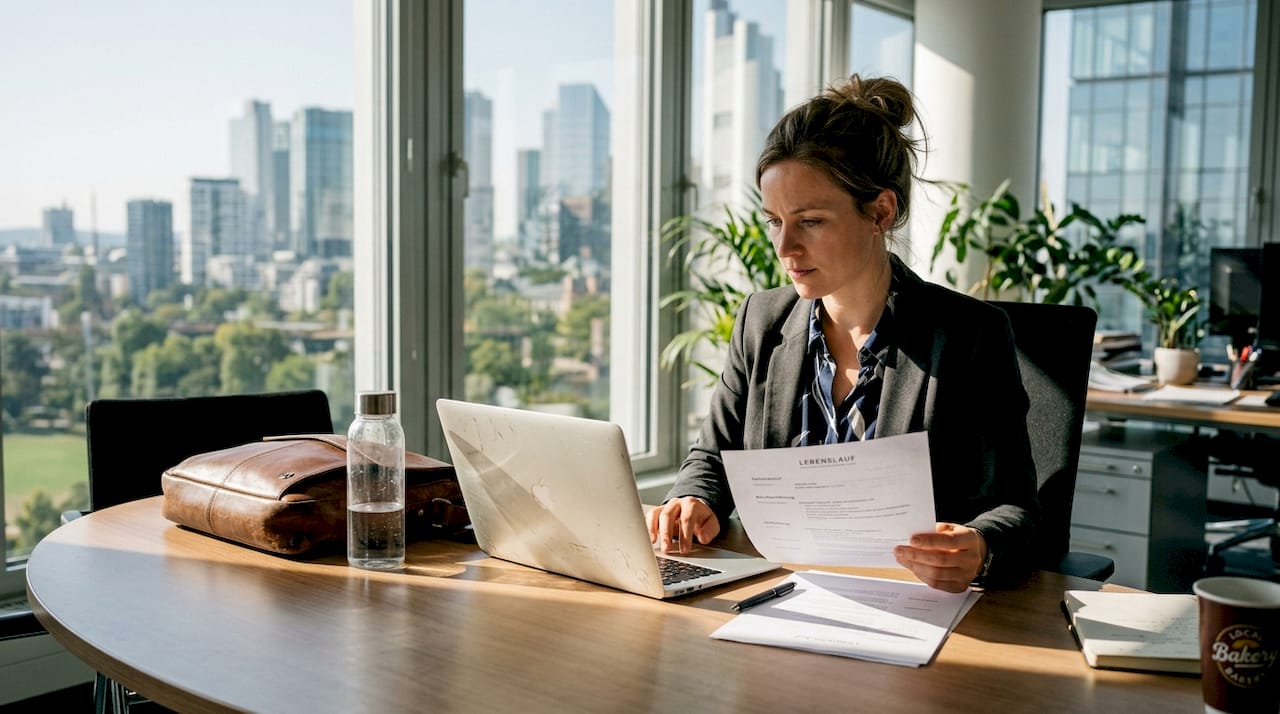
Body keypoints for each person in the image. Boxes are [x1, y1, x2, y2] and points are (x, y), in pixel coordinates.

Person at [645, 74, 1039, 593]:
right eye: (774, 221)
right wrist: (694, 499)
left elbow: (1018, 510)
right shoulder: (761, 322)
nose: (784, 248)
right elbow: (713, 457)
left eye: (809, 221)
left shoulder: (968, 336)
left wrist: (979, 546)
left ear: (880, 211)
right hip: (782, 595)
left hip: (915, 607)